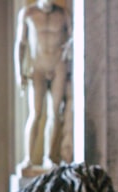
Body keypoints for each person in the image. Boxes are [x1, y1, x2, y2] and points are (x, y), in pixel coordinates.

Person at [16, 0, 72, 177]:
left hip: (57, 66)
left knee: (55, 113)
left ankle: (50, 157)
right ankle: (28, 159)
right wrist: (19, 72)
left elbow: (74, 38)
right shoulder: (28, 14)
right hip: (37, 66)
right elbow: (20, 44)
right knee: (36, 113)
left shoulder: (63, 14)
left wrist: (68, 60)